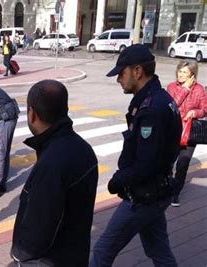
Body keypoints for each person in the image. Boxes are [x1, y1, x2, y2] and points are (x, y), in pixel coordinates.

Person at [90, 44, 181, 266]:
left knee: (102, 252)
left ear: (137, 71)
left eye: (122, 73)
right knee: (159, 251)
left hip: (143, 196)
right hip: (157, 193)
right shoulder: (159, 99)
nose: (118, 79)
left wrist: (117, 181)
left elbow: (145, 164)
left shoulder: (152, 109)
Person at [11, 80, 99, 266]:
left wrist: (20, 256)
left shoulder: (52, 163)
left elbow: (38, 230)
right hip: (75, 254)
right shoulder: (84, 149)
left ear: (32, 114)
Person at [166, 60, 207, 207]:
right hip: (172, 131)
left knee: (183, 164)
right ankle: (167, 189)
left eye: (184, 72)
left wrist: (194, 112)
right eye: (179, 71)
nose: (180, 74)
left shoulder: (200, 89)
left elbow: (204, 109)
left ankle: (175, 194)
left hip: (190, 133)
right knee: (168, 163)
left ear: (192, 75)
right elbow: (171, 105)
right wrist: (184, 89)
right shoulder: (171, 87)